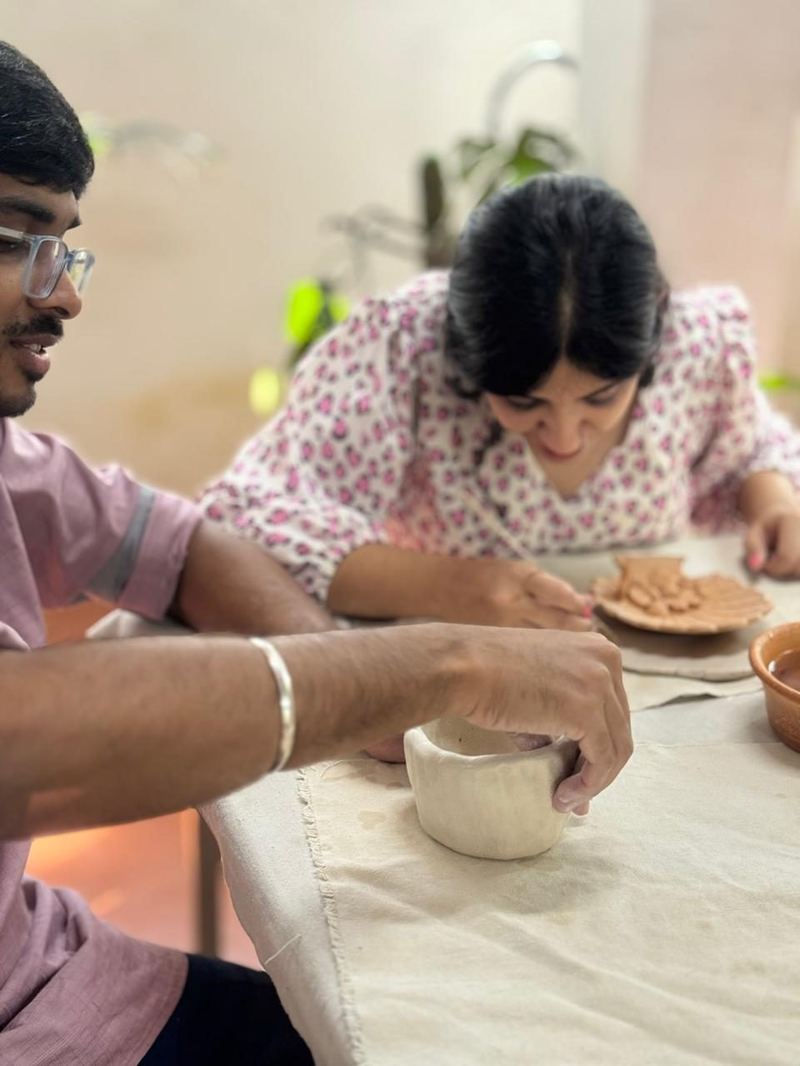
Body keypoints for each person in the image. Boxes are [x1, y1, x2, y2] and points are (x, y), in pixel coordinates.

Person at [0, 41, 632, 1066]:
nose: (65, 295)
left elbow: (184, 537)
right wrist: (436, 651)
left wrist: (362, 698)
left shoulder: (9, 460)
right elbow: (29, 739)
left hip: (50, 973)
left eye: (63, 247)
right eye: (19, 237)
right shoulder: (383, 353)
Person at [201, 174, 800, 641]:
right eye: (522, 402)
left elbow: (749, 447)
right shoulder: (401, 347)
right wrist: (455, 586)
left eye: (601, 398)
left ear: (651, 352)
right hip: (452, 662)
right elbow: (248, 520)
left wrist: (771, 499)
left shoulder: (698, 348)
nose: (564, 436)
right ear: (464, 354)